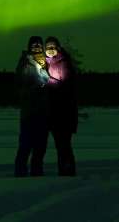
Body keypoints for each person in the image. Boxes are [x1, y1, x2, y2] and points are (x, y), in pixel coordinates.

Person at [14, 36, 49, 176]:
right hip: (29, 112)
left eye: (39, 45)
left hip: (43, 112)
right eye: (34, 45)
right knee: (25, 145)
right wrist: (32, 89)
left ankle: (37, 171)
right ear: (29, 47)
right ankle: (20, 171)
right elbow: (19, 83)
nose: (37, 47)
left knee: (40, 146)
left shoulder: (47, 62)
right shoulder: (25, 62)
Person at [43, 36, 77, 176]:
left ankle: (68, 170)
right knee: (59, 144)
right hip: (52, 112)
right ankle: (63, 170)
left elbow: (67, 86)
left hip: (64, 112)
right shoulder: (44, 63)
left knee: (64, 144)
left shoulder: (63, 62)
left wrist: (49, 82)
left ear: (58, 48)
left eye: (53, 47)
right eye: (48, 47)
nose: (50, 50)